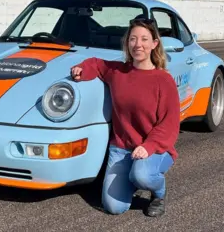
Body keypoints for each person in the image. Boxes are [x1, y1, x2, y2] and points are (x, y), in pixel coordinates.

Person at [70, 17, 180, 217]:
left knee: (143, 175)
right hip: (121, 149)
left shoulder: (164, 80)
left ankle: (158, 192)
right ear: (127, 43)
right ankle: (134, 177)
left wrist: (148, 147)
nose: (138, 45)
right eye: (133, 39)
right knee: (114, 207)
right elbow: (97, 64)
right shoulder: (118, 72)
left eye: (144, 39)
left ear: (154, 44)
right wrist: (82, 69)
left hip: (154, 149)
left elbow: (170, 124)